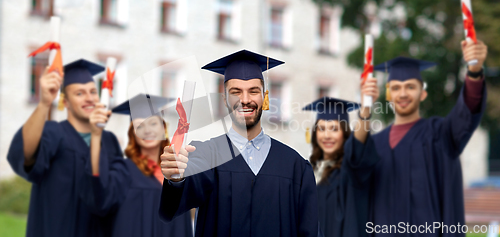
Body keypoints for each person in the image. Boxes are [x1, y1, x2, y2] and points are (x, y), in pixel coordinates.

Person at [159, 50, 319, 236]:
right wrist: (176, 178)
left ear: (265, 98)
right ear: (225, 99)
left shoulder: (295, 166)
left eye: (253, 91)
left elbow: (310, 232)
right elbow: (173, 206)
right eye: (236, 92)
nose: (245, 100)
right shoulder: (205, 154)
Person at [368, 40, 488, 236]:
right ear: (388, 95)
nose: (403, 93)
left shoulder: (440, 134)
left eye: (410, 87)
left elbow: (466, 115)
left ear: (422, 93)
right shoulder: (374, 144)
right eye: (396, 88)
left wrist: (474, 72)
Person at [7, 59, 125, 237]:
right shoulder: (52, 132)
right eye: (79, 93)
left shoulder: (109, 142)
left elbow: (116, 193)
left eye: (93, 91)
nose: (89, 98)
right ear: (66, 102)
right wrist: (44, 103)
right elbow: (26, 154)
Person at [86, 93, 193, 237]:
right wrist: (96, 137)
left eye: (153, 123)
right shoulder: (123, 171)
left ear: (163, 129)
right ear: (132, 134)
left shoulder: (177, 171)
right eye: (139, 126)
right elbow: (100, 197)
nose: (147, 131)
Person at [304, 78, 380, 237]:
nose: (327, 135)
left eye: (334, 129)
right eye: (322, 128)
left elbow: (357, 146)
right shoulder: (308, 170)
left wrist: (365, 110)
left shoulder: (350, 169)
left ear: (345, 133)